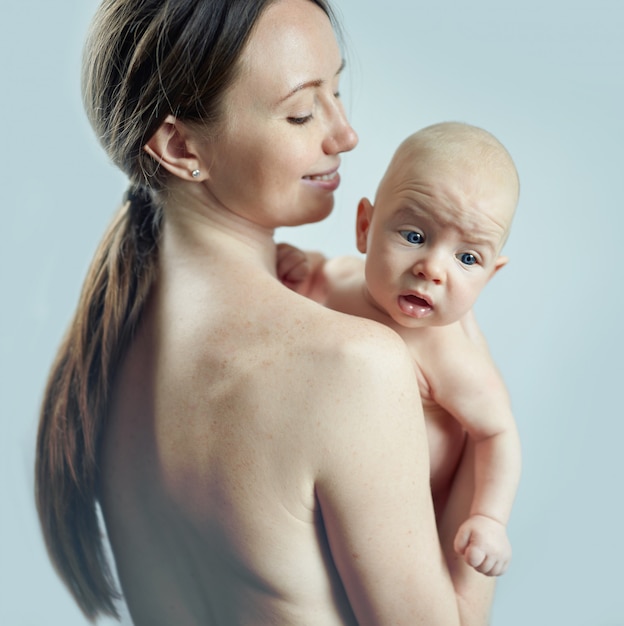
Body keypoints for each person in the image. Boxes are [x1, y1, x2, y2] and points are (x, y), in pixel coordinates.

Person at [35, 1, 495, 624]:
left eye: (337, 90)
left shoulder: (105, 350)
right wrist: (483, 435)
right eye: (302, 112)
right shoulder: (353, 364)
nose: (345, 133)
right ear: (179, 144)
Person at [278, 121, 522, 577]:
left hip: (403, 525)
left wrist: (490, 518)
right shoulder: (344, 278)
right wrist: (302, 267)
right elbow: (320, 277)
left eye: (467, 258)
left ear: (490, 274)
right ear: (365, 227)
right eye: (414, 236)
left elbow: (498, 434)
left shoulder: (449, 355)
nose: (432, 269)